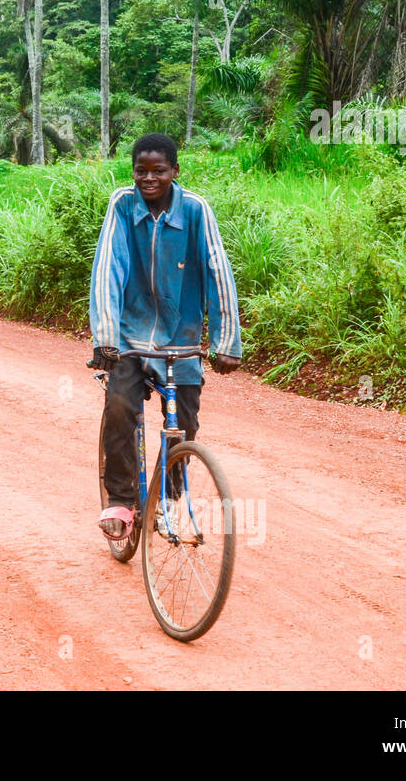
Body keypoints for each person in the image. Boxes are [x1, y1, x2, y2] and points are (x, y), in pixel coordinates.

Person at [89, 132, 242, 541]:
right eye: (141, 171)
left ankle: (167, 500)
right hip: (130, 338)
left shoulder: (195, 210)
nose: (149, 179)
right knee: (120, 405)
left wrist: (226, 341)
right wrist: (105, 337)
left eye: (159, 171)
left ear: (175, 171)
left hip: (182, 338)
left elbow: (217, 271)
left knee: (185, 425)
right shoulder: (122, 205)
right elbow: (108, 268)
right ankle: (120, 501)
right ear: (133, 173)